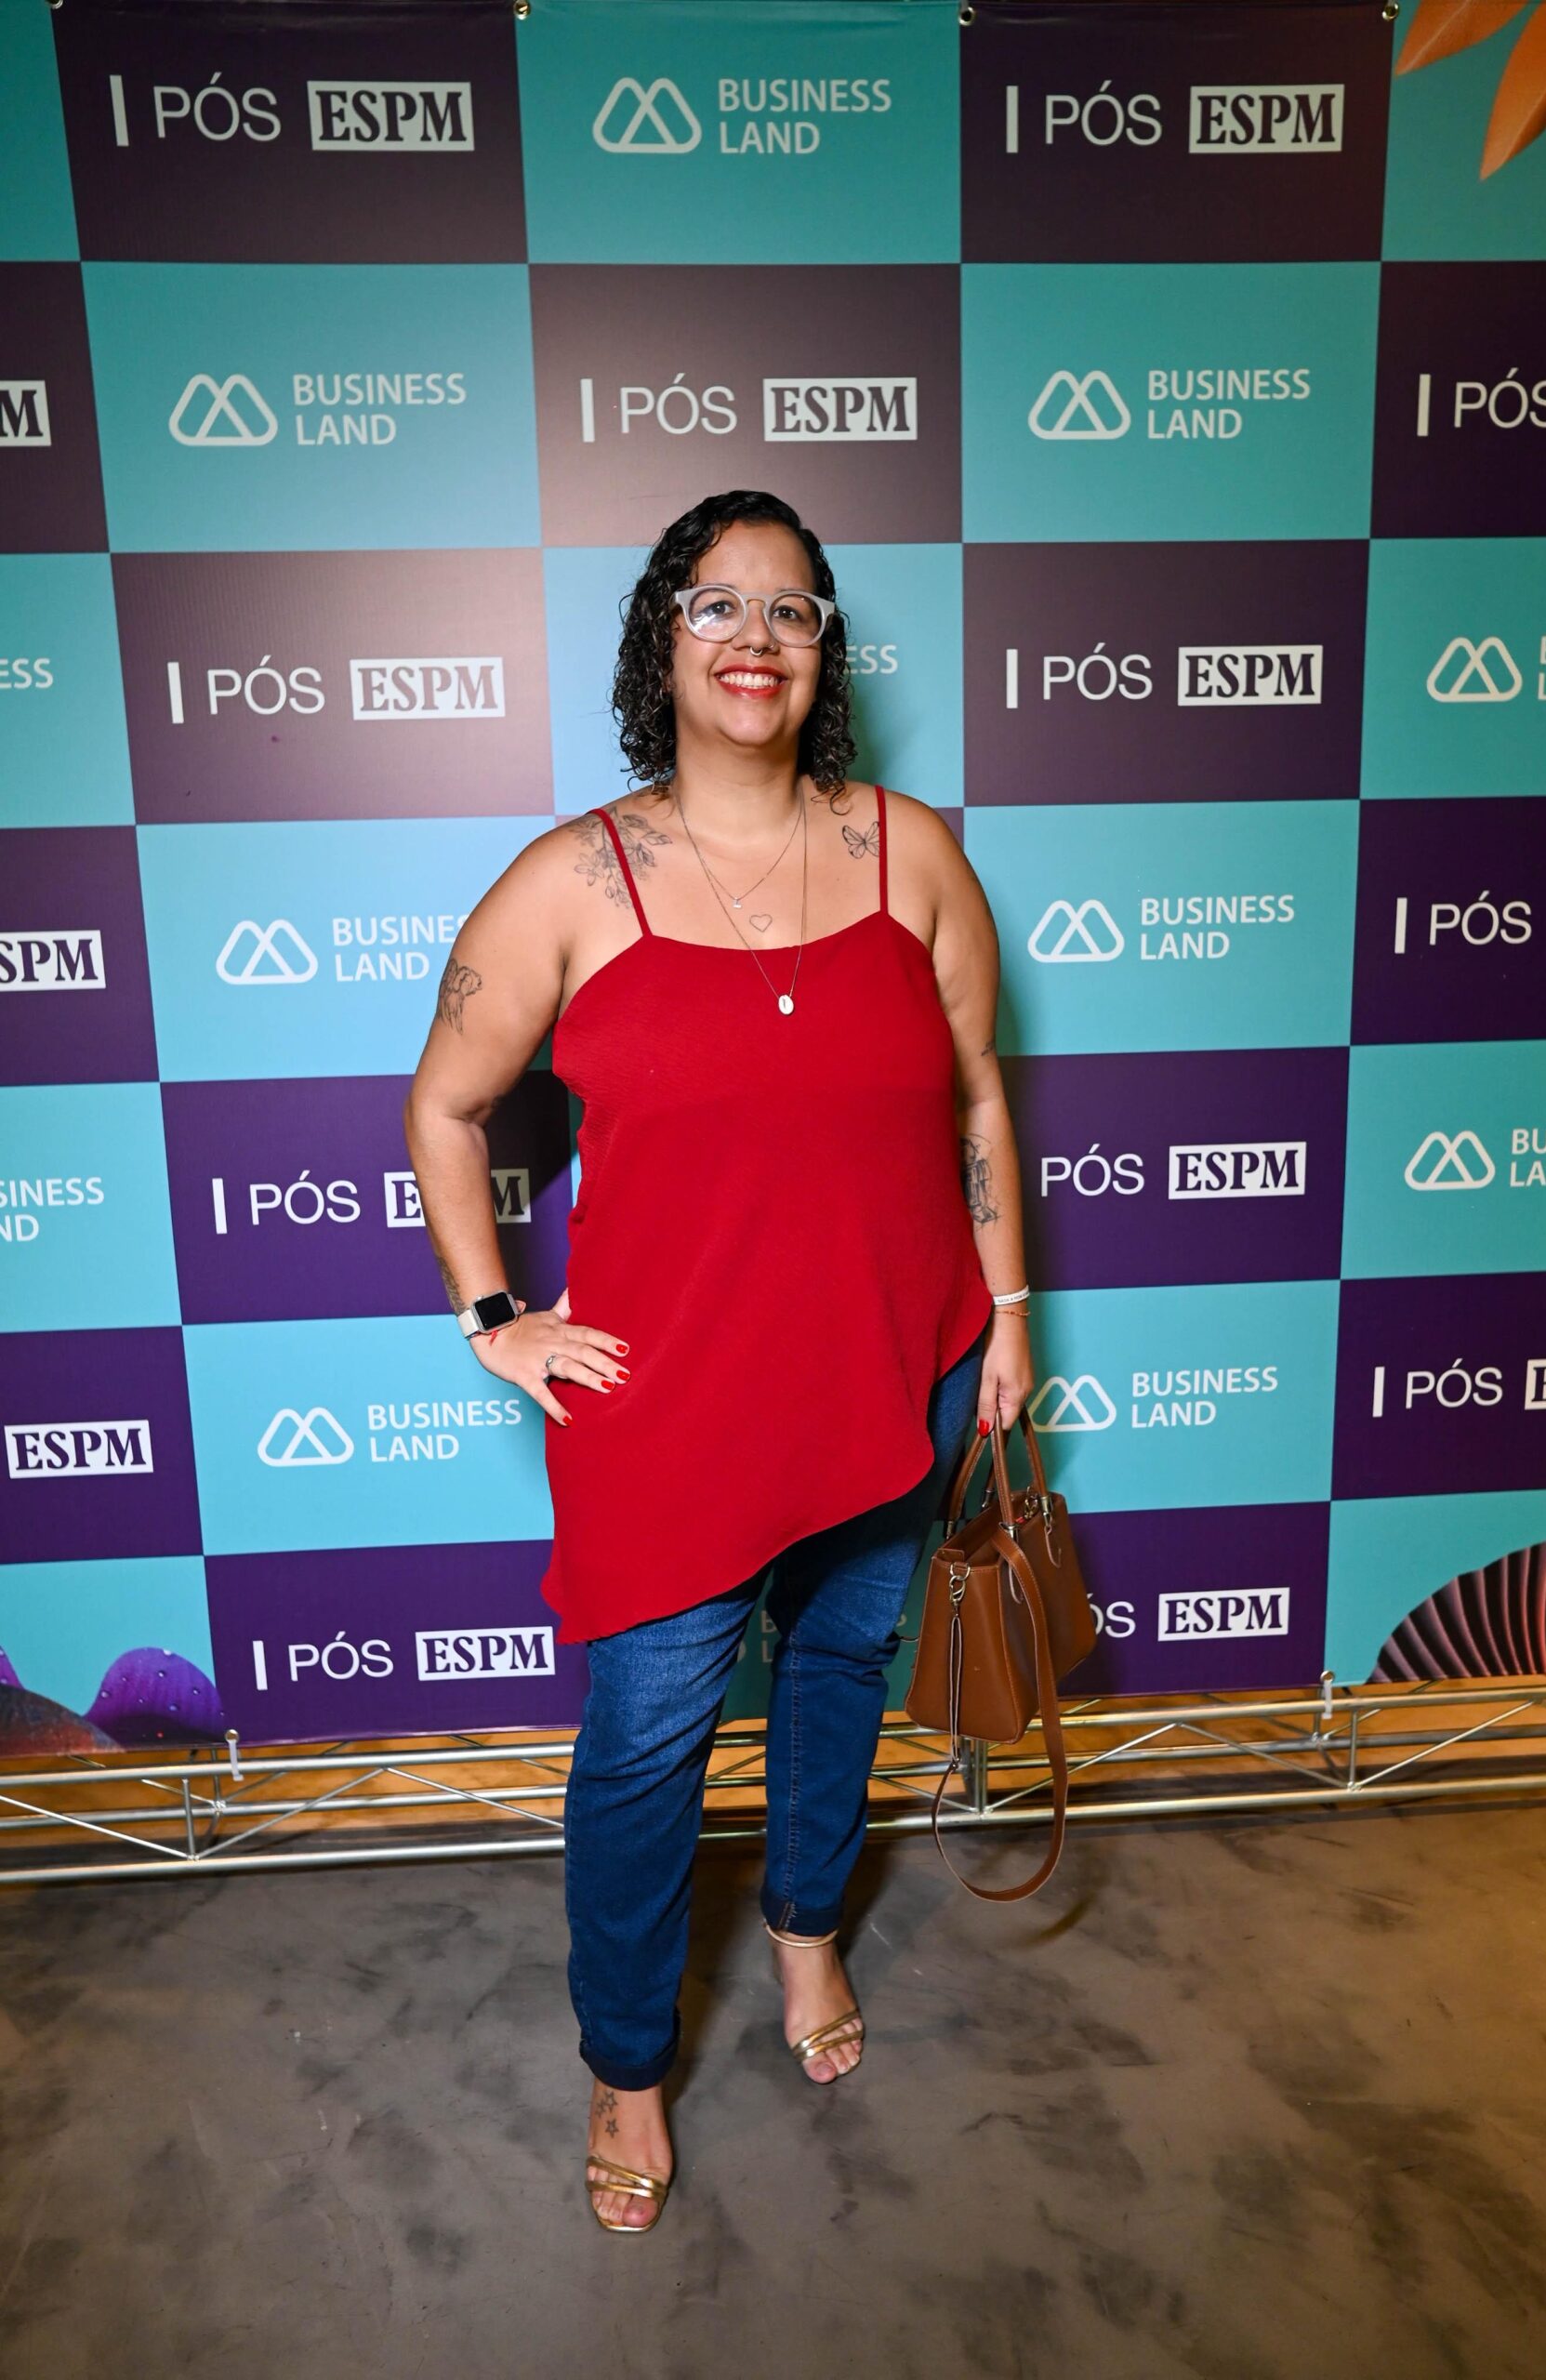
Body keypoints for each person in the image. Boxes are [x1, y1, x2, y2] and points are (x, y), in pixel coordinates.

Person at [403, 489, 1034, 2232]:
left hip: (892, 1364)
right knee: (641, 1748)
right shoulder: (569, 880)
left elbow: (977, 1093)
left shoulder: (911, 854)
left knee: (840, 1669)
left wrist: (1007, 1313)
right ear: (660, 643)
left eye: (790, 608)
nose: (753, 636)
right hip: (669, 1402)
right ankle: (627, 2064)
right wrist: (495, 1319)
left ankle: (808, 1931)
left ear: (823, 649)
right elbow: (444, 1107)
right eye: (714, 604)